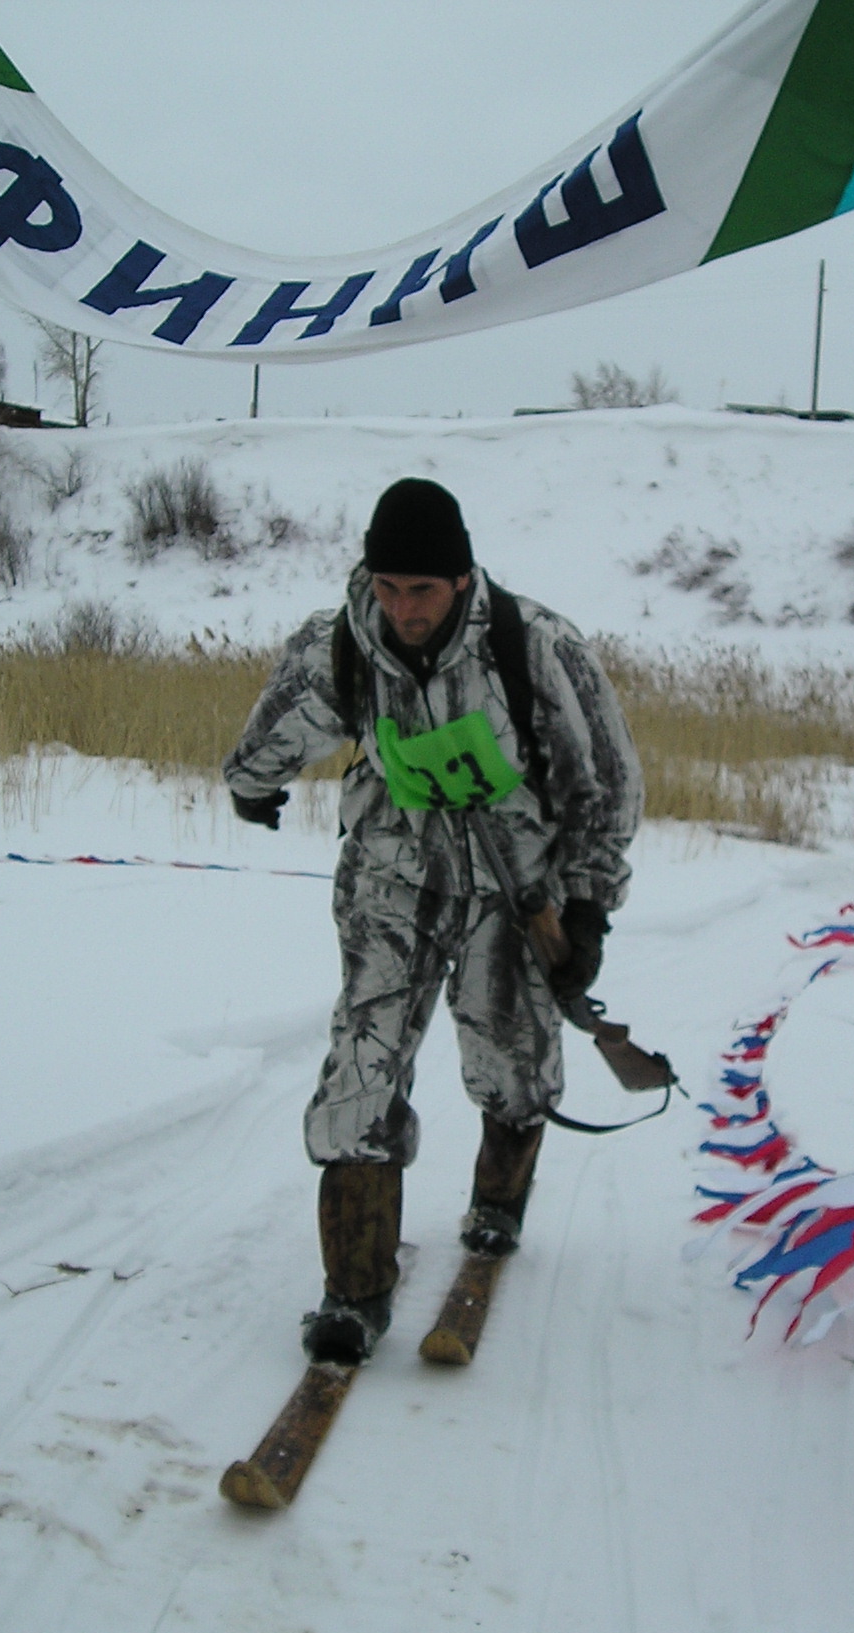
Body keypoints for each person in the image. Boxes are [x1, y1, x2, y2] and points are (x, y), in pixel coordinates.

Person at [223, 477, 642, 1365]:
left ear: (459, 581)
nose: (402, 608)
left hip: (515, 887)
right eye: (387, 586)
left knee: (509, 1055)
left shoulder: (536, 648)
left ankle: (497, 1202)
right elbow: (288, 712)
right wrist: (253, 779)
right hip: (391, 878)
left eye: (420, 590)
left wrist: (588, 907)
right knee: (361, 1068)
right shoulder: (346, 640)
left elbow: (602, 783)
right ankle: (355, 1290)